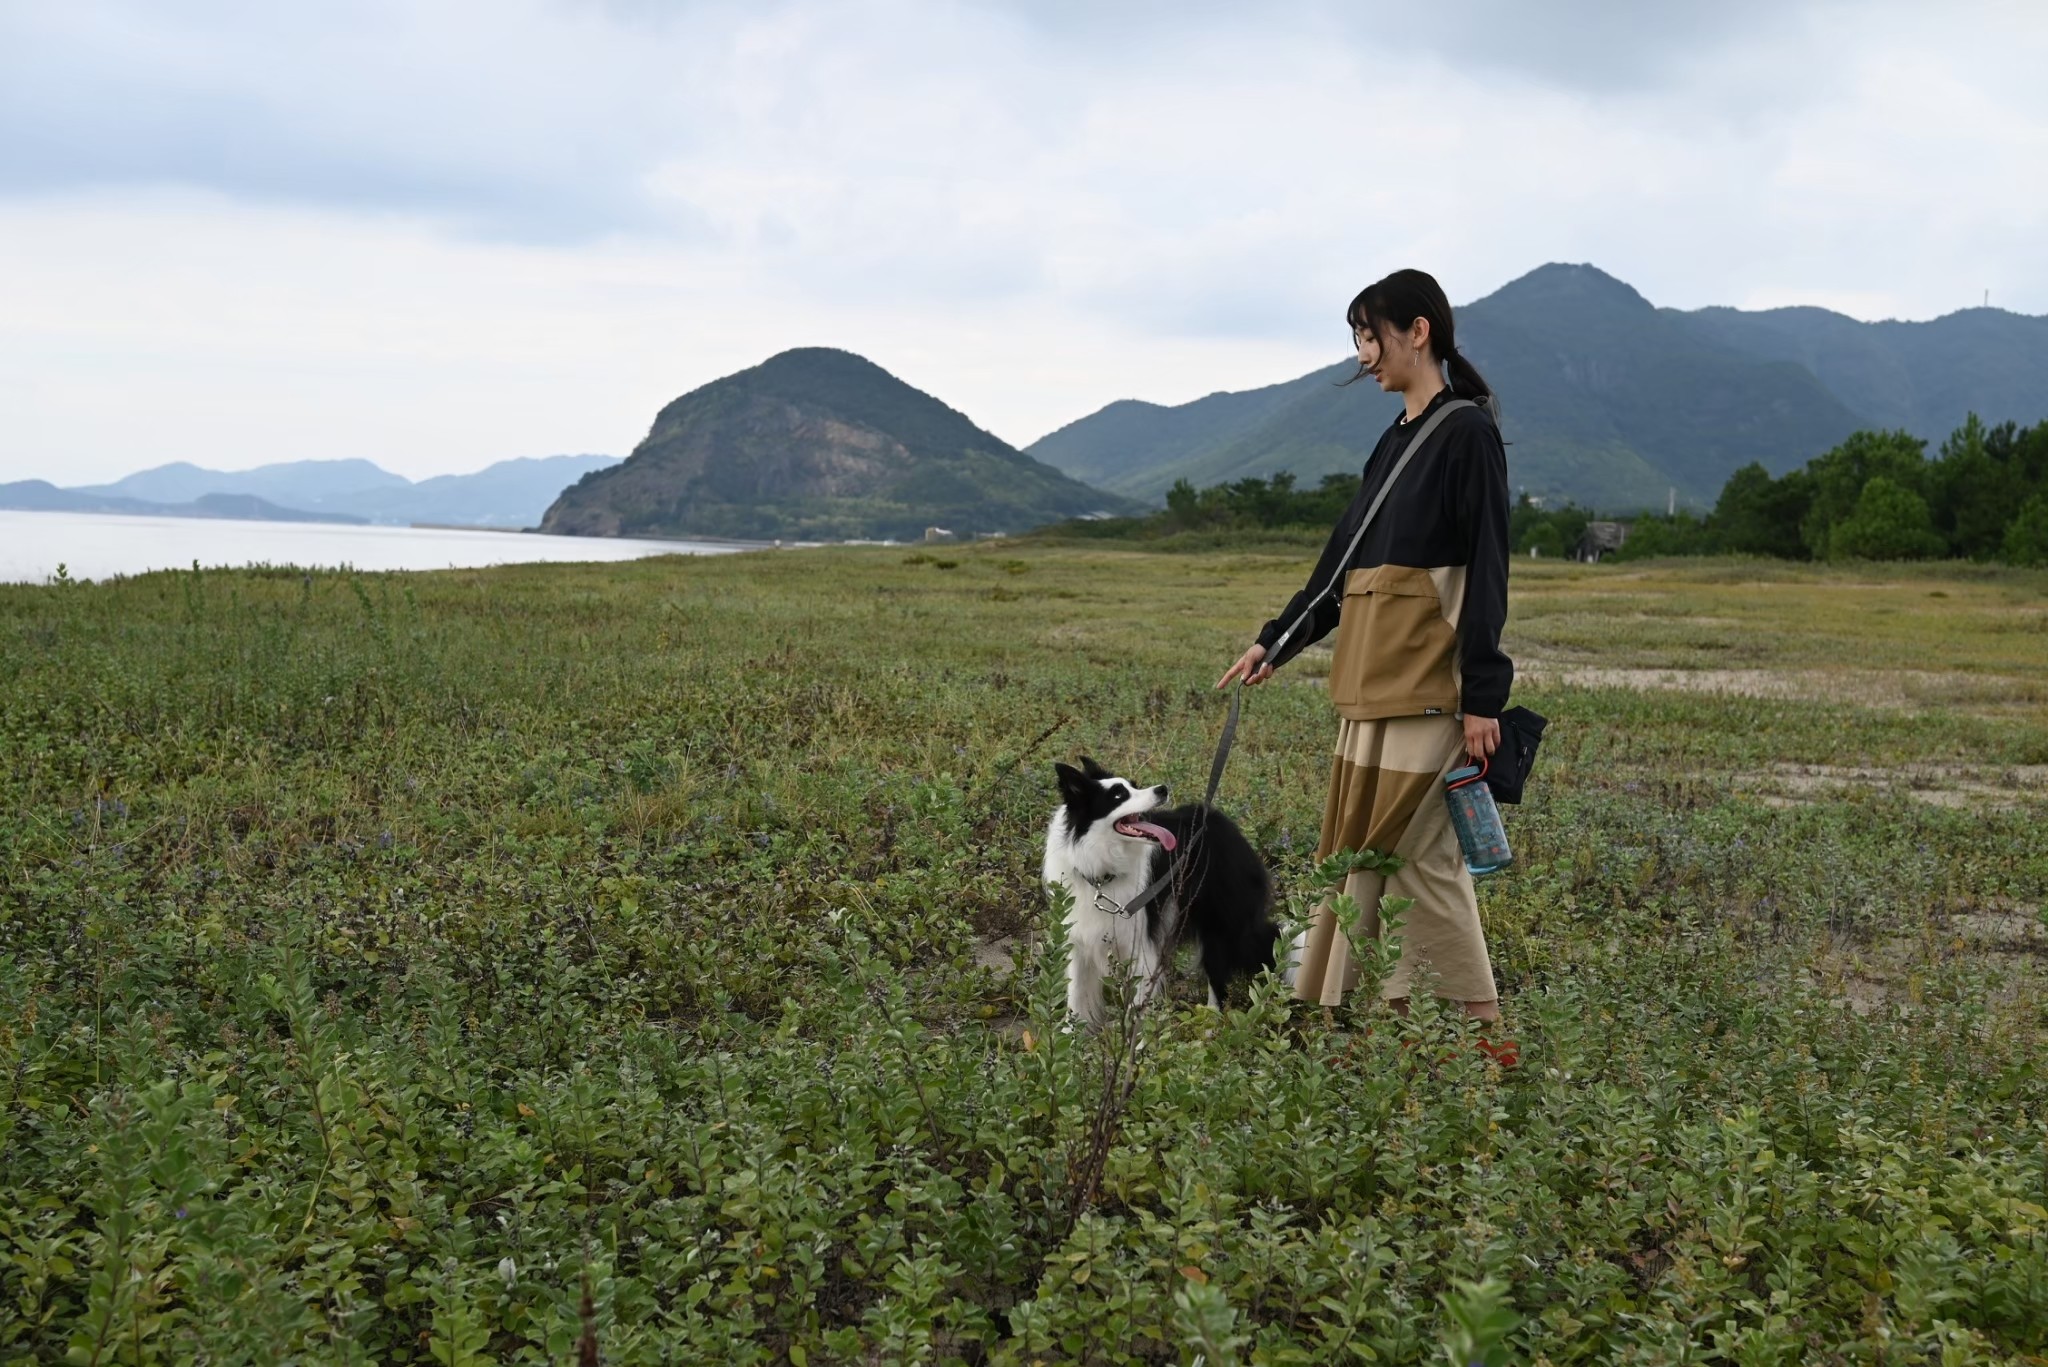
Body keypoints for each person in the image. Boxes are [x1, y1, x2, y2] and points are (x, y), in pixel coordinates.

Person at [1216, 269, 1512, 1026]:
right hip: (1369, 690)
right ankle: (1358, 1029)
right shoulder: (1394, 441)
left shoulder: (1468, 433)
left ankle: (1484, 1033)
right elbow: (1343, 564)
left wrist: (1483, 697)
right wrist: (1275, 641)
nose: (1363, 353)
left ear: (1419, 331)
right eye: (1357, 337)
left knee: (1423, 860)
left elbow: (1488, 571)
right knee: (1359, 859)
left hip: (1425, 693)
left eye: (1371, 334)